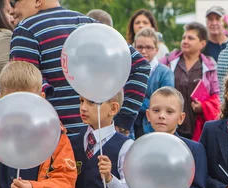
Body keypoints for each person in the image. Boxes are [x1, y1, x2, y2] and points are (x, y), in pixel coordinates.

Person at [10, 0, 150, 136]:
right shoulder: (89, 24)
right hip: (96, 141)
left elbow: (23, 89)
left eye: (13, 1)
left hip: (53, 142)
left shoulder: (26, 30)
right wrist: (121, 123)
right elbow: (140, 66)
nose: (12, 9)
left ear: (37, 1)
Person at [160, 22, 220, 141]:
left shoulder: (209, 66)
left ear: (202, 43)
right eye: (184, 38)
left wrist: (203, 107)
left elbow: (216, 96)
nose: (185, 41)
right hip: (170, 125)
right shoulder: (168, 61)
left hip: (196, 126)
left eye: (191, 38)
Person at [134, 27, 174, 138]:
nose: (143, 51)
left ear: (156, 49)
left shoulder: (165, 73)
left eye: (148, 47)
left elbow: (165, 103)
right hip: (131, 128)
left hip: (154, 129)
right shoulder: (128, 71)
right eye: (139, 47)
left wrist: (136, 101)